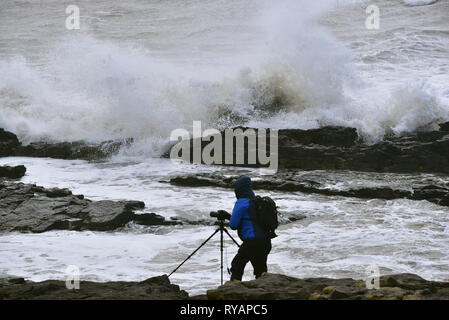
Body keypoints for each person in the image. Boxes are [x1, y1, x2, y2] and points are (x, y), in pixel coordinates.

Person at [227, 176, 272, 281]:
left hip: (252, 243)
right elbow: (252, 219)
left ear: (239, 189)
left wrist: (227, 216)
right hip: (266, 242)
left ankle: (234, 290)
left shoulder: (242, 202)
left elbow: (233, 225)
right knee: (261, 271)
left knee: (237, 265)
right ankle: (263, 291)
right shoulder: (257, 202)